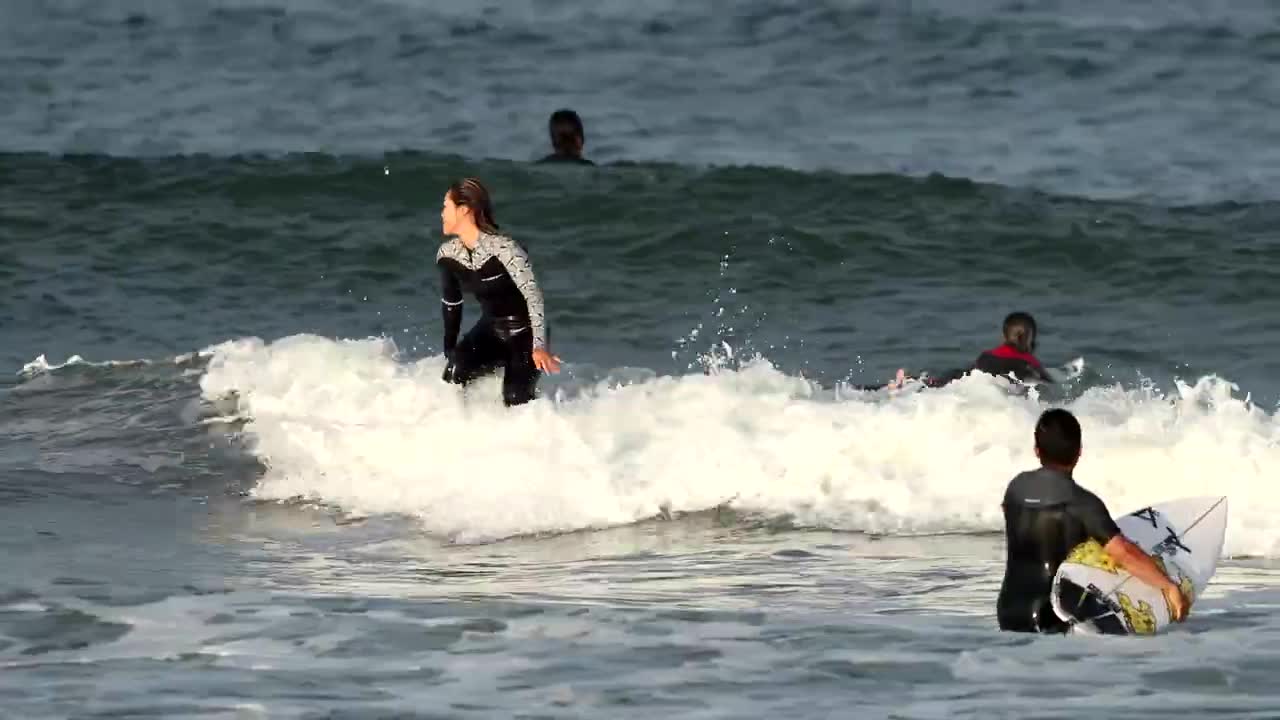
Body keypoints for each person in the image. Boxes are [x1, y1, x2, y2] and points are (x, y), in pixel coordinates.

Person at [997, 408, 1189, 633]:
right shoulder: (1082, 502)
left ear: (1036, 450)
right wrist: (1168, 586)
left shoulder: (1016, 488)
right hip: (1052, 617)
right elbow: (1123, 553)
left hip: (1007, 612)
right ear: (1079, 452)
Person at [436, 177, 561, 406]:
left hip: (525, 333)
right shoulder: (447, 255)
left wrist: (539, 347)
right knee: (452, 377)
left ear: (464, 210)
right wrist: (450, 350)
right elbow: (452, 303)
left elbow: (533, 296)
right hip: (491, 331)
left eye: (446, 206)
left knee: (515, 398)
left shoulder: (506, 249)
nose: (442, 213)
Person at [878, 311, 1052, 390]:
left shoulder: (991, 353)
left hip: (982, 366)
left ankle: (908, 380)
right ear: (1032, 339)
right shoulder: (1031, 363)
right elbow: (1047, 385)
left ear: (1003, 336)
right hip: (1002, 378)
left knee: (942, 382)